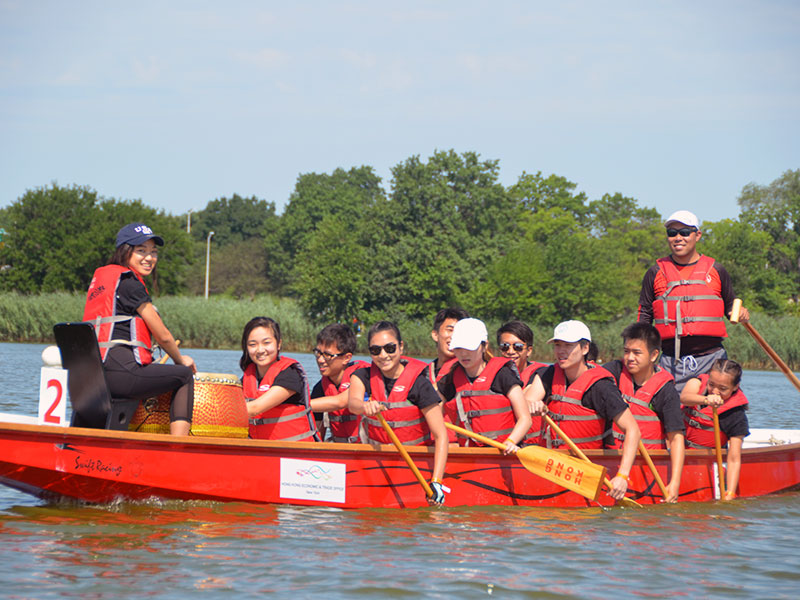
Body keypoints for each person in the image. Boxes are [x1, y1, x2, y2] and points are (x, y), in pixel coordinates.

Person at [83, 222, 196, 436]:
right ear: (125, 251)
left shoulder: (104, 280)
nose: (149, 257)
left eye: (153, 252)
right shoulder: (130, 283)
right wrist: (181, 360)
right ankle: (178, 447)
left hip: (92, 377)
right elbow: (163, 336)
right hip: (119, 375)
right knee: (182, 376)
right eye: (141, 251)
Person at [525, 320, 641, 501]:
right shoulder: (548, 374)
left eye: (568, 346)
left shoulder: (601, 387)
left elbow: (632, 429)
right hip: (552, 464)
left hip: (587, 467)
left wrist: (622, 476)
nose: (561, 351)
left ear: (585, 348)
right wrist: (532, 404)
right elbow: (528, 400)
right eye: (557, 345)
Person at [637, 210, 750, 390]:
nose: (678, 238)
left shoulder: (717, 270)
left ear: (697, 235)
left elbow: (731, 308)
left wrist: (741, 312)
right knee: (670, 413)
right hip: (670, 360)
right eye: (672, 233)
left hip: (712, 360)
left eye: (684, 232)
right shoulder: (654, 272)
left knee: (714, 413)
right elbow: (644, 315)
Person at [347, 321, 449, 505]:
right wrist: (364, 407)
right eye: (376, 350)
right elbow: (353, 403)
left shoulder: (420, 385)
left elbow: (441, 435)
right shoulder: (362, 376)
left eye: (390, 348)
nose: (383, 355)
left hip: (414, 462)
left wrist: (436, 482)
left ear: (401, 347)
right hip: (378, 461)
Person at [603, 323, 685, 502]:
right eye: (626, 351)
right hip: (611, 459)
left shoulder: (666, 391)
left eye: (637, 353)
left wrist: (675, 482)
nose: (629, 358)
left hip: (648, 464)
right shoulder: (613, 372)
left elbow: (676, 438)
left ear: (654, 355)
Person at [438, 318, 532, 453]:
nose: (464, 354)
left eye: (469, 348)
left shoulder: (503, 375)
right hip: (469, 454)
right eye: (458, 348)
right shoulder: (450, 380)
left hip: (503, 453)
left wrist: (510, 442)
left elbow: (525, 419)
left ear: (484, 346)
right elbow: (433, 414)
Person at [240, 316, 319, 442]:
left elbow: (255, 408)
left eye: (266, 343)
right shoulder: (246, 379)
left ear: (279, 344)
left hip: (297, 453)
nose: (260, 350)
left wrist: (215, 412)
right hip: (263, 452)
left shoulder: (290, 374)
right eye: (252, 344)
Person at [680, 359, 749, 500]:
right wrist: (706, 400)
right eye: (711, 384)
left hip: (706, 461)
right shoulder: (696, 383)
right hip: (680, 452)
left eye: (723, 389)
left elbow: (734, 458)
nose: (715, 391)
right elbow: (685, 398)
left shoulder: (735, 415)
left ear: (736, 387)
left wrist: (730, 493)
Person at [309, 323, 369, 442]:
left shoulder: (364, 377)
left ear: (347, 358)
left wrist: (297, 406)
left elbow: (341, 401)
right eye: (318, 353)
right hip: (341, 450)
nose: (320, 360)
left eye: (327, 355)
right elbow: (316, 437)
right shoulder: (319, 389)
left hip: (368, 450)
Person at [426, 307, 470, 388]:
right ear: (435, 335)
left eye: (459, 332)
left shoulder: (470, 371)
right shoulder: (424, 374)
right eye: (450, 330)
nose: (454, 336)